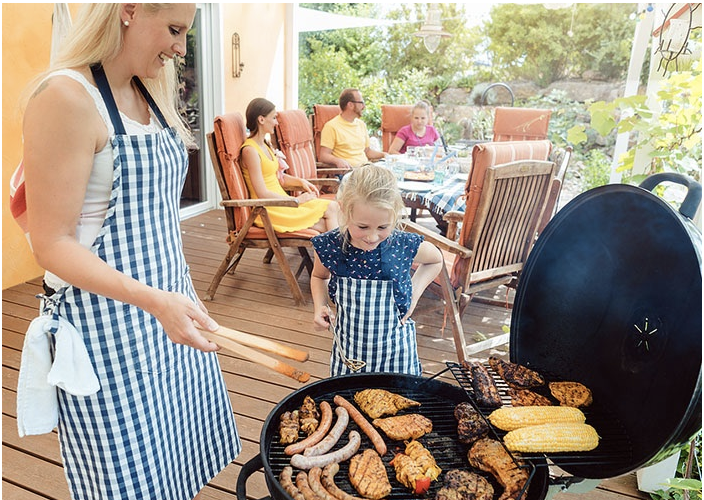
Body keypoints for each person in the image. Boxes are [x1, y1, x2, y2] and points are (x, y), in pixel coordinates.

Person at [21, 4, 240, 499]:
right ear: (129, 10)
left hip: (168, 306)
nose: (182, 49)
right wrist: (154, 300)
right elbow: (49, 244)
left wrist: (174, 295)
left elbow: (157, 220)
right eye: (175, 30)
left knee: (174, 453)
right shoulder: (66, 98)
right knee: (126, 475)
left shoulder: (149, 92)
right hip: (107, 322)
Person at [310, 164, 443, 376]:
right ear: (344, 209)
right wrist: (320, 306)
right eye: (362, 227)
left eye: (383, 227)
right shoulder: (331, 246)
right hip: (349, 354)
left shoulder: (401, 245)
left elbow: (436, 259)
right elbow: (319, 276)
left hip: (397, 355)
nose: (372, 237)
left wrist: (414, 296)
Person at [241, 98, 340, 233]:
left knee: (334, 208)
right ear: (261, 119)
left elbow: (278, 177)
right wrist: (296, 200)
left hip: (283, 203)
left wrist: (301, 182)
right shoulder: (250, 151)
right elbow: (262, 192)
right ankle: (341, 253)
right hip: (269, 209)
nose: (276, 122)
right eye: (274, 117)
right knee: (328, 222)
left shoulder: (265, 145)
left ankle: (340, 253)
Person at [318, 88, 387, 170]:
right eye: (361, 103)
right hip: (349, 173)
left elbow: (367, 152)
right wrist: (337, 161)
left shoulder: (361, 124)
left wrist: (385, 155)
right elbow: (323, 156)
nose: (364, 107)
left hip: (365, 169)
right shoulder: (331, 126)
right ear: (350, 105)